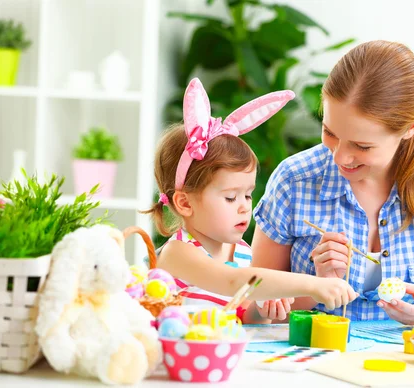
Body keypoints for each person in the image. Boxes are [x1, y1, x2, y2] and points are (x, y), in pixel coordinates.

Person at [251, 41, 414, 325]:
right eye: (330, 132)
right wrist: (316, 288)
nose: (340, 156)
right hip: (310, 361)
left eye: (362, 145)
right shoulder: (295, 180)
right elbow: (249, 309)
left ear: (410, 128)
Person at [143, 78, 358, 324]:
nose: (245, 206)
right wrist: (314, 283)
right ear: (185, 203)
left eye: (247, 194)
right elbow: (233, 281)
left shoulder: (241, 253)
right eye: (231, 197)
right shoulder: (178, 253)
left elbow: (244, 317)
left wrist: (263, 312)